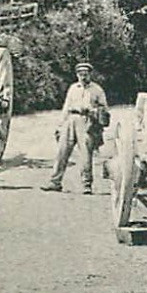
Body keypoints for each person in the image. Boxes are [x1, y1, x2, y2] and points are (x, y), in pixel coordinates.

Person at [44, 61, 109, 194]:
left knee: (86, 154)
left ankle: (87, 184)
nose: (83, 77)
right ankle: (55, 182)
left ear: (90, 74)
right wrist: (60, 125)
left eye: (86, 74)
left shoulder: (97, 90)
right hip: (71, 120)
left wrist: (93, 111)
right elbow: (66, 107)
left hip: (87, 121)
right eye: (80, 74)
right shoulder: (73, 88)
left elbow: (104, 109)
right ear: (77, 75)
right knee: (62, 152)